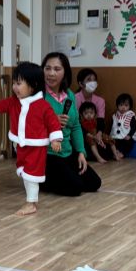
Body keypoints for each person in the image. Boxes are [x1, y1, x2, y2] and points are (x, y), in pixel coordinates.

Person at [0, 62, 62, 216]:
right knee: (24, 170)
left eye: (18, 83)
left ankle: (31, 203)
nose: (14, 87)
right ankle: (31, 200)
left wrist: (55, 139)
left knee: (32, 173)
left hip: (36, 146)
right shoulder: (14, 102)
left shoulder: (43, 106)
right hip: (21, 145)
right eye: (14, 83)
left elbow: (53, 123)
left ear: (33, 86)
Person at [41, 52, 102, 196]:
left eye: (57, 69)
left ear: (65, 73)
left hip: (67, 152)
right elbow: (30, 125)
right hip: (47, 153)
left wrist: (81, 152)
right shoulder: (39, 95)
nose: (51, 73)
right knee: (75, 188)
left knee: (94, 183)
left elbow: (75, 126)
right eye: (47, 68)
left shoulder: (69, 95)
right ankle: (39, 180)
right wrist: (52, 121)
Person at [74, 68, 106, 134]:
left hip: (94, 132)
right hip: (78, 132)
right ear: (80, 84)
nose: (92, 82)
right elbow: (75, 121)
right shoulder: (74, 98)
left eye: (94, 80)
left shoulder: (100, 101)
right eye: (89, 79)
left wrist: (99, 134)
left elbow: (101, 121)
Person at [109, 93, 136, 159]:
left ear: (130, 106)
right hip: (116, 136)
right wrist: (110, 135)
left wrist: (129, 135)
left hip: (127, 136)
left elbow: (134, 127)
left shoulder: (131, 115)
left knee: (128, 143)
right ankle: (115, 152)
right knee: (112, 142)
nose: (123, 107)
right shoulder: (115, 115)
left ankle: (122, 153)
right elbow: (112, 126)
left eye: (126, 105)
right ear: (117, 105)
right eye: (121, 105)